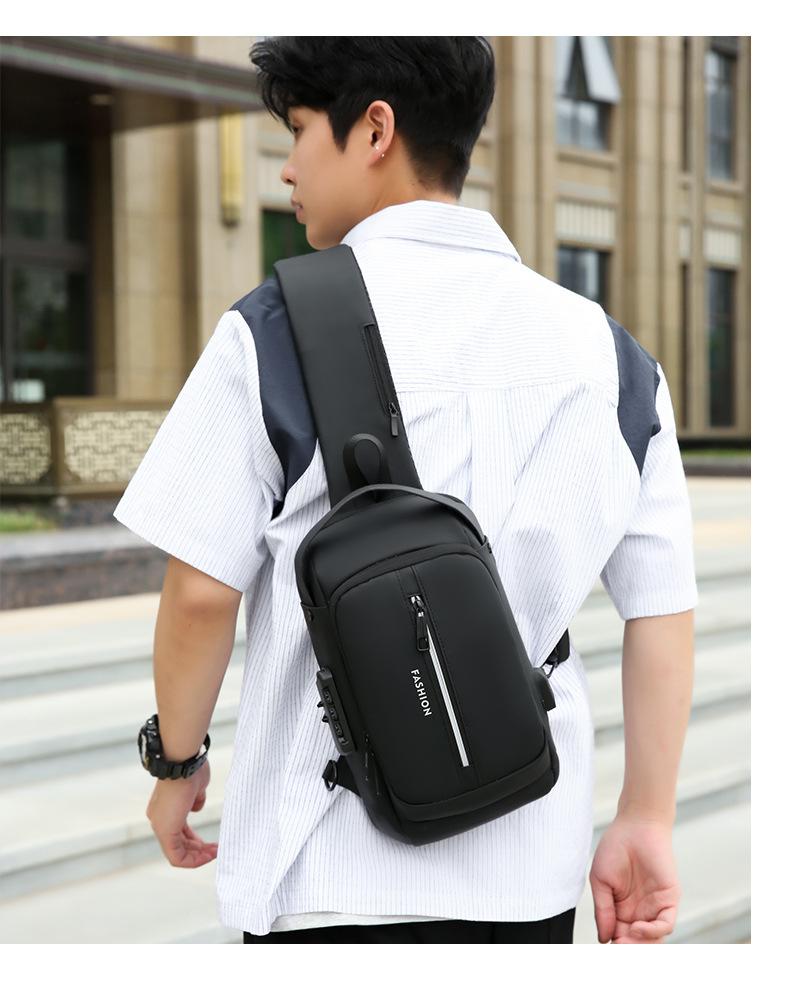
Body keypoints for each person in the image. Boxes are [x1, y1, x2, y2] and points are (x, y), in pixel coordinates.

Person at [113, 37, 698, 945]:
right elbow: (661, 608)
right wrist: (646, 816)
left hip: (325, 872)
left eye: (299, 130)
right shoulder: (614, 359)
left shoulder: (271, 331)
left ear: (375, 129)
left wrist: (175, 761)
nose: (288, 167)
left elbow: (199, 593)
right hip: (525, 868)